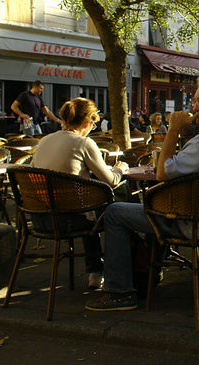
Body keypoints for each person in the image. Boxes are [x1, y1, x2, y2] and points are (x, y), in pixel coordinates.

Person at [85, 76, 199, 311]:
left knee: (114, 212)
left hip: (194, 223)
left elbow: (162, 174)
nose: (194, 107)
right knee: (156, 209)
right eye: (194, 101)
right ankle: (149, 277)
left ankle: (119, 293)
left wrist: (174, 128)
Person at [30, 97, 129, 289]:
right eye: (93, 125)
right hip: (67, 221)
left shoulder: (44, 141)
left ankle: (96, 270)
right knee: (111, 209)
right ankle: (109, 272)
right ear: (87, 122)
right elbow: (111, 181)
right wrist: (120, 169)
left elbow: (33, 173)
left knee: (87, 207)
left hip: (39, 218)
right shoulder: (84, 143)